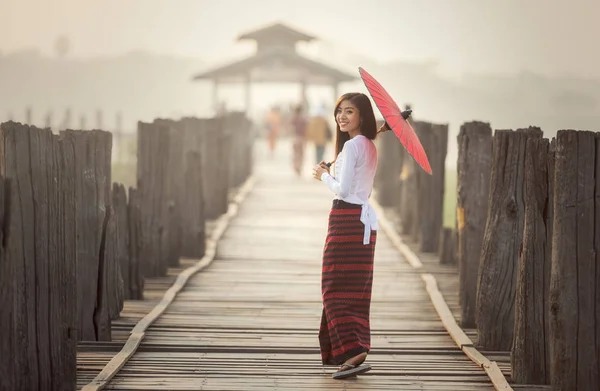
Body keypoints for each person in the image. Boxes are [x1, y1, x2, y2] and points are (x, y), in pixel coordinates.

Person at [312, 92, 389, 380]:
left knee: (332, 286)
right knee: (355, 289)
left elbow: (343, 191)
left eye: (350, 112)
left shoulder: (357, 145)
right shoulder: (368, 144)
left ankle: (353, 349)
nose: (342, 117)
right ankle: (353, 348)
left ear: (362, 116)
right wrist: (334, 168)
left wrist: (324, 177)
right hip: (362, 221)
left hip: (345, 219)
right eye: (339, 111)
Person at [290, 104, 308, 176]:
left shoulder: (293, 119)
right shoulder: (303, 119)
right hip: (302, 138)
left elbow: (290, 129)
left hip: (295, 138)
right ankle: (299, 167)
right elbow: (306, 130)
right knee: (301, 154)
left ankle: (296, 167)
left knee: (295, 154)